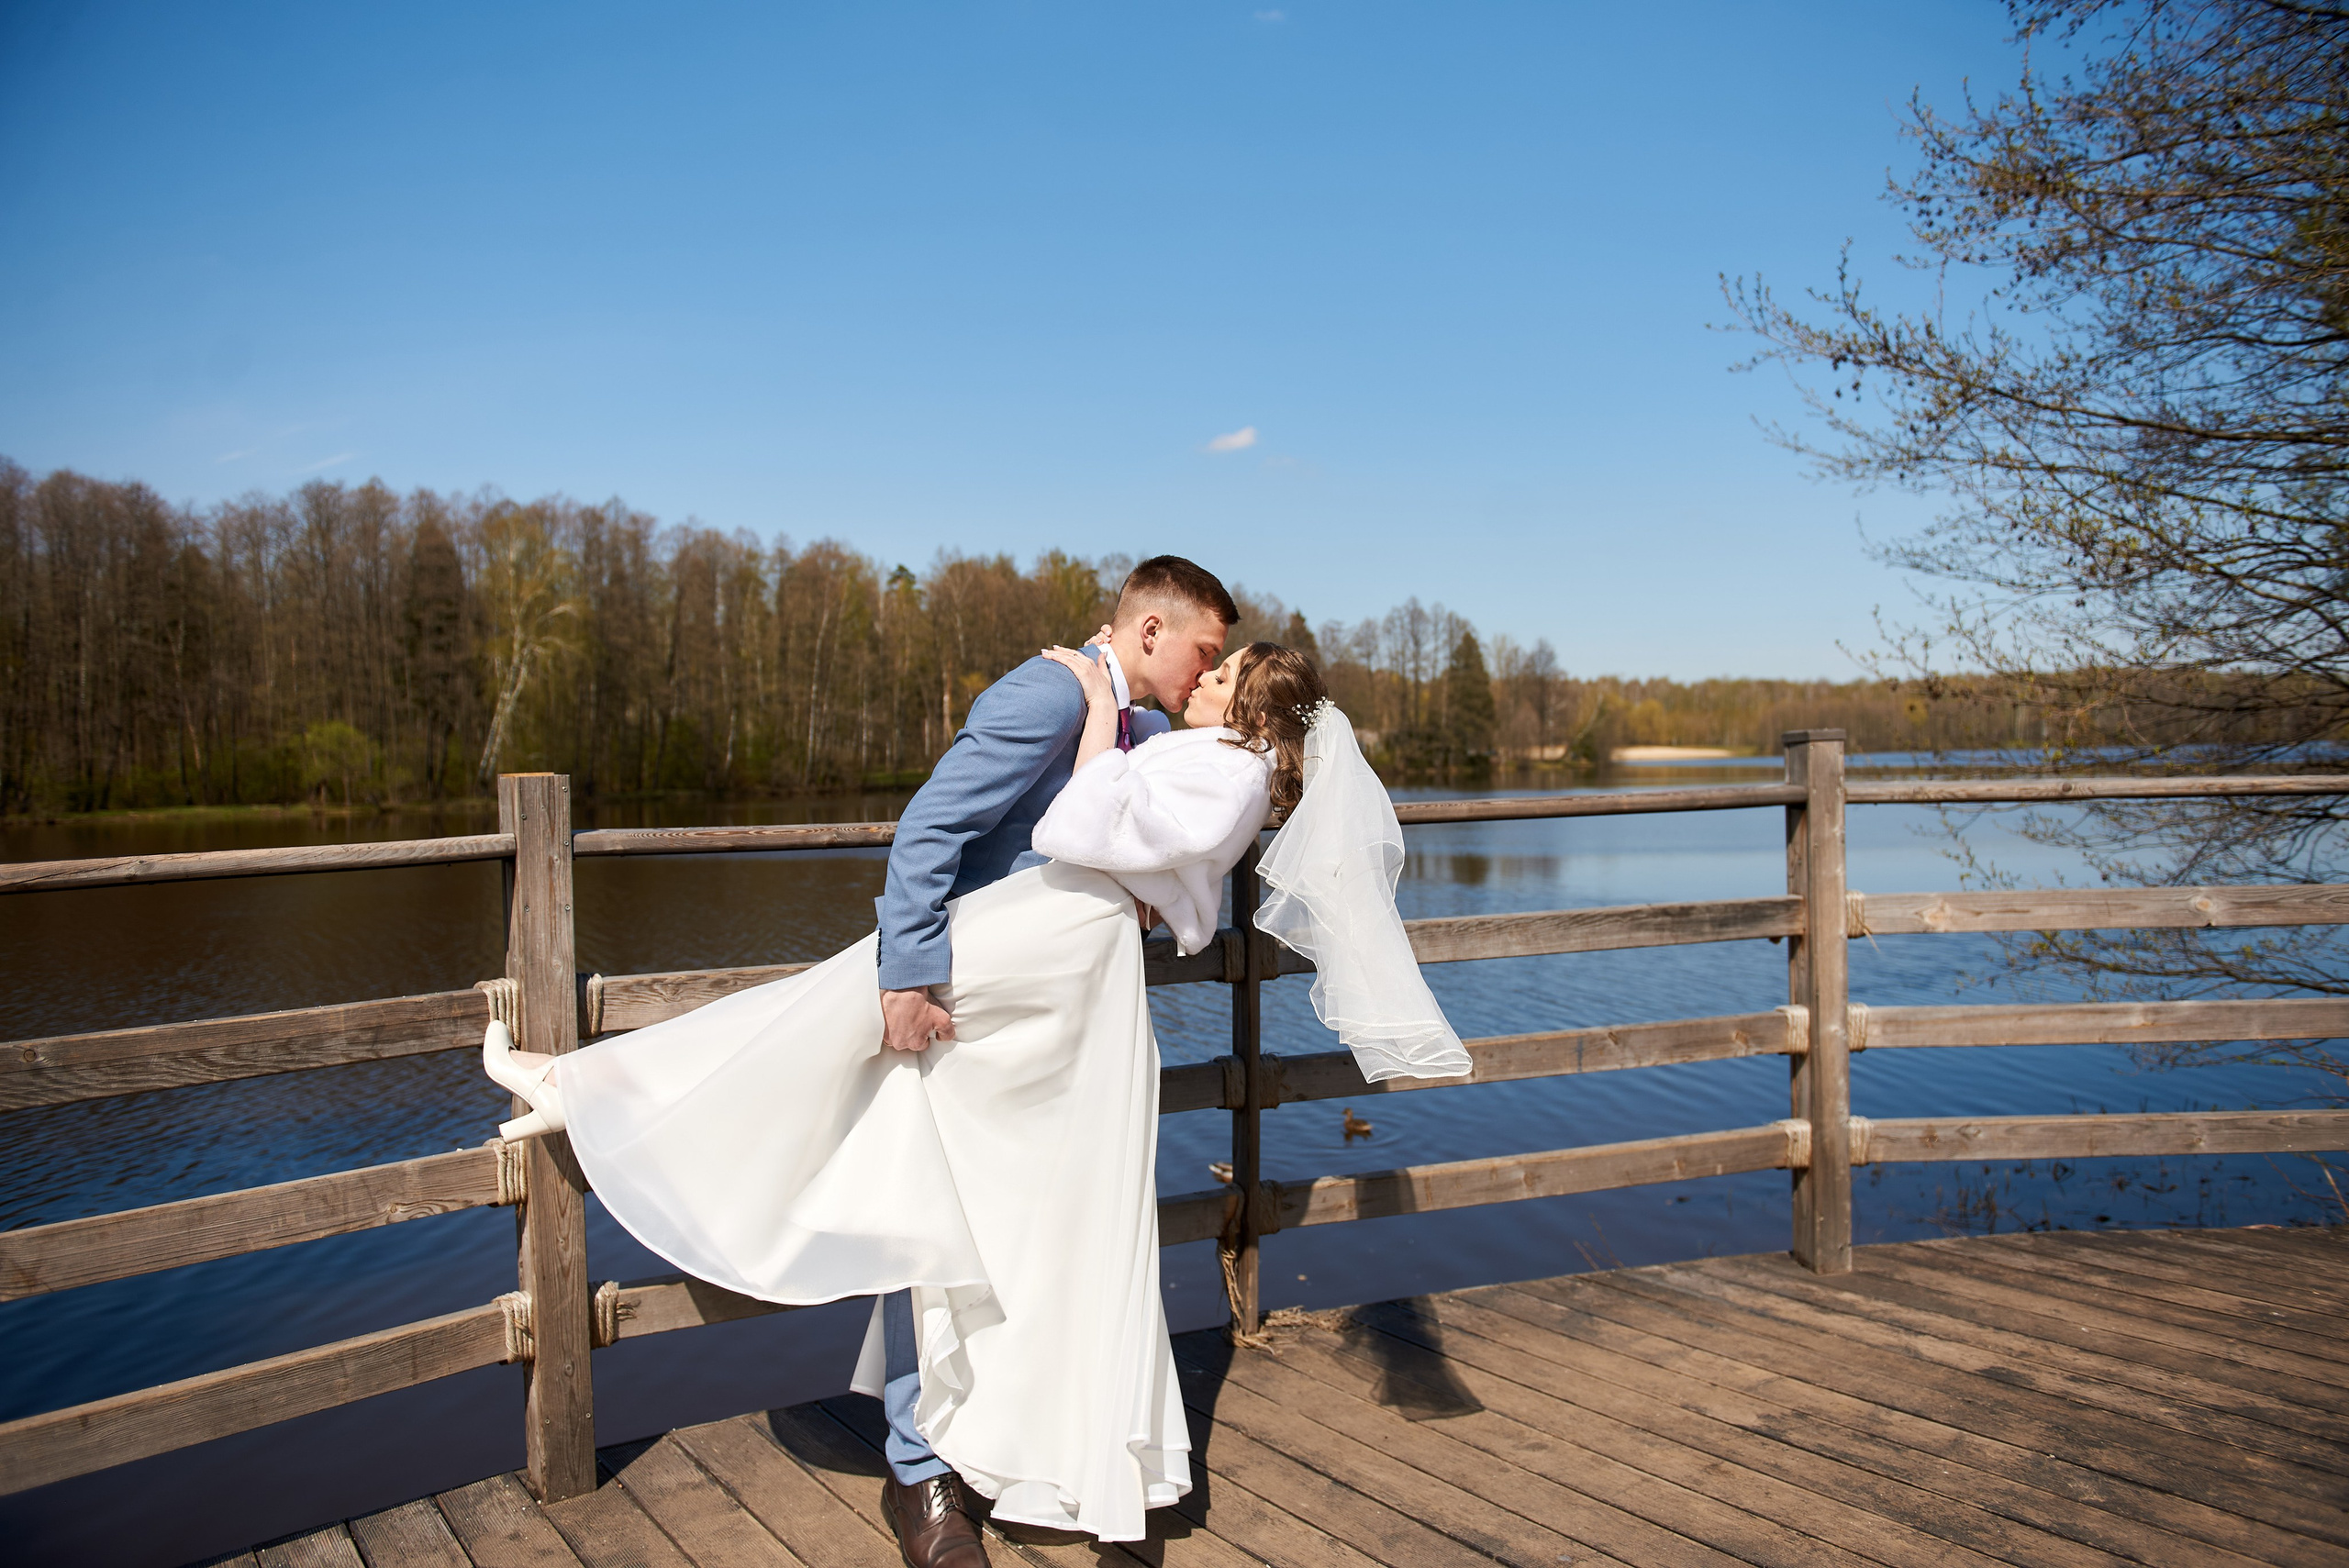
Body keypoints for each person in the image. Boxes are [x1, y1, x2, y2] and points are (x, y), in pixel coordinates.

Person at [481, 569, 1469, 1558]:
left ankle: (995, 1446)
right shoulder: (1052, 693)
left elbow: (1157, 825)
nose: (1204, 674)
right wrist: (908, 971)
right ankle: (919, 1464)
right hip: (972, 986)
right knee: (877, 1139)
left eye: (1222, 667)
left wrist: (1149, 878)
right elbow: (931, 826)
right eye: (1204, 654)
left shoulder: (1162, 734)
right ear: (1151, 629)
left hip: (1053, 1010)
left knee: (1022, 1231)